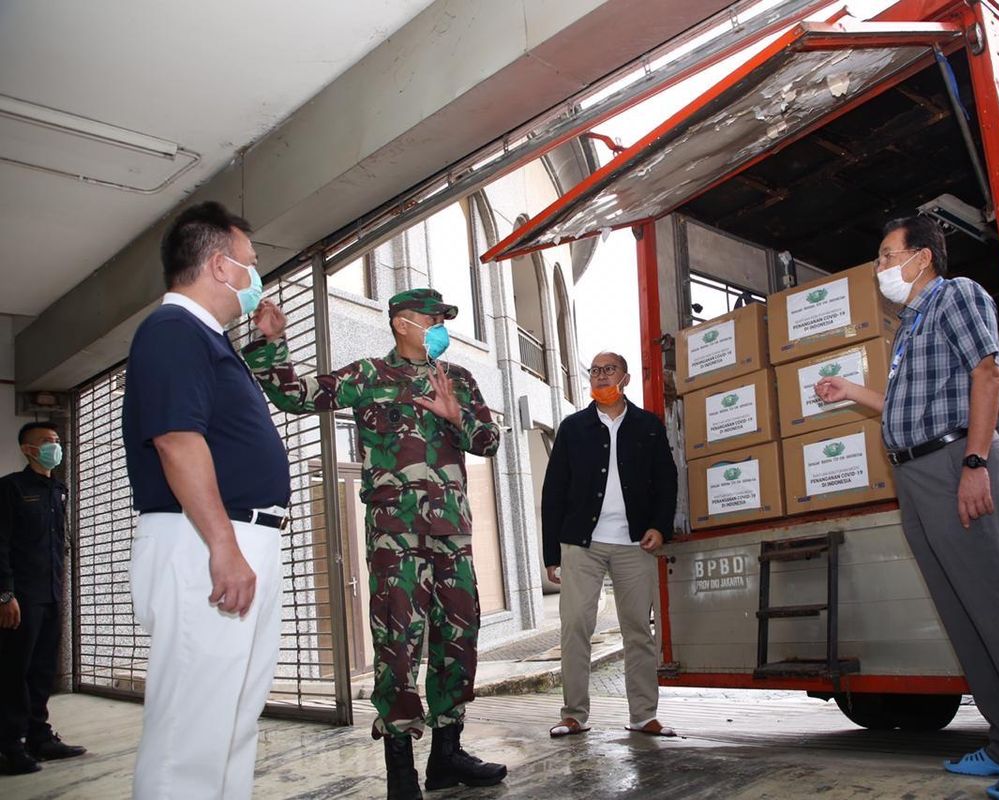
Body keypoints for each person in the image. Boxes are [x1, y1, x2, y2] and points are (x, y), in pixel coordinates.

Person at [815, 216, 999, 800]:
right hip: (915, 474)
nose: (881, 267)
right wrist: (852, 391)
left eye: (888, 254)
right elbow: (903, 401)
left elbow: (985, 374)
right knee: (962, 614)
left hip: (953, 463)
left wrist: (974, 463)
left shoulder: (957, 295)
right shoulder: (909, 324)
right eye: (880, 258)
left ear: (923, 257)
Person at [242, 287, 506, 800]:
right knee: (398, 646)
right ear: (403, 323)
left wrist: (459, 417)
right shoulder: (368, 376)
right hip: (396, 537)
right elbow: (298, 396)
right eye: (434, 318)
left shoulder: (460, 379)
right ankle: (401, 770)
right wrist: (272, 342)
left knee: (457, 641)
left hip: (452, 534)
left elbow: (489, 443)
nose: (440, 327)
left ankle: (447, 756)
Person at [122, 201, 291, 799]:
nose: (255, 277)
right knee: (190, 735)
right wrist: (223, 546)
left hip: (238, 538)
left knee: (231, 723)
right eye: (249, 263)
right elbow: (176, 438)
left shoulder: (209, 340)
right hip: (206, 542)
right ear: (220, 266)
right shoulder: (172, 330)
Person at [542, 351, 678, 740]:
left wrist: (659, 527)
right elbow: (554, 492)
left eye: (609, 370)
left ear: (626, 378)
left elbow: (666, 482)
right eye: (596, 371)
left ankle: (643, 715)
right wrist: (553, 554)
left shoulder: (648, 427)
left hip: (635, 544)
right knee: (575, 628)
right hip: (581, 545)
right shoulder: (573, 428)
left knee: (638, 630)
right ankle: (574, 715)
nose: (601, 376)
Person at [0, 422, 87, 774]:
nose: (55, 446)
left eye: (57, 441)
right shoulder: (11, 489)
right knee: (13, 671)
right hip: (21, 596)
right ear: (27, 449)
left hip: (51, 594)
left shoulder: (58, 489)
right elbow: (1, 542)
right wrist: (5, 593)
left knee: (41, 670)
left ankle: (40, 737)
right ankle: (9, 745)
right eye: (47, 442)